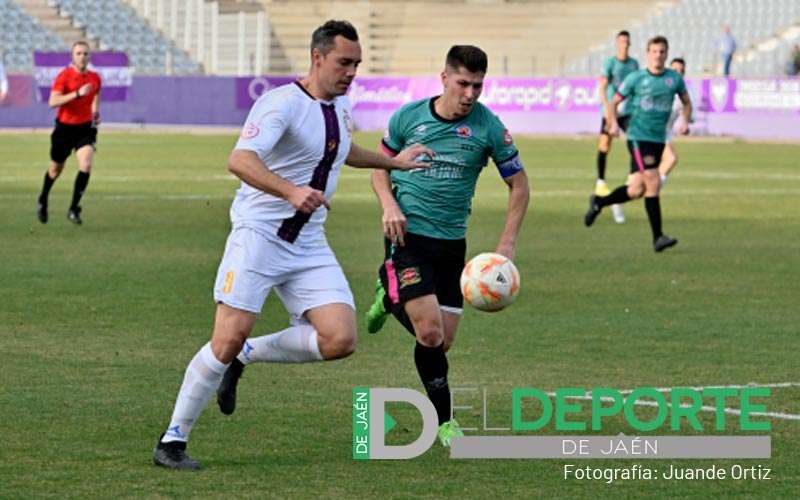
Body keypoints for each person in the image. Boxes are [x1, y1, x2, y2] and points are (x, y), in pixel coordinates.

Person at [152, 20, 432, 470]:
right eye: (344, 62)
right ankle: (172, 440)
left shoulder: (340, 106)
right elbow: (239, 159)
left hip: (307, 241)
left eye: (357, 64)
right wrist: (288, 190)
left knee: (340, 338)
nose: (351, 72)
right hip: (259, 237)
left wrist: (393, 162)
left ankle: (248, 355)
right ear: (317, 57)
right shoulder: (279, 103)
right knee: (225, 338)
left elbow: (341, 150)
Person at [364, 45, 530, 447]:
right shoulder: (408, 118)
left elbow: (519, 184)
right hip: (407, 238)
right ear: (444, 78)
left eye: (477, 85)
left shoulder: (489, 128)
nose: (470, 93)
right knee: (432, 334)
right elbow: (379, 170)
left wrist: (506, 244)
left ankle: (390, 300)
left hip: (453, 245)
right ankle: (445, 423)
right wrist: (388, 205)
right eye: (463, 84)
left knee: (442, 341)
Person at [584, 36, 692, 252]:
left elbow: (687, 101)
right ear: (648, 54)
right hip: (638, 137)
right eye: (654, 51)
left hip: (658, 139)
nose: (658, 55)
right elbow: (614, 101)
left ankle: (599, 202)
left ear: (666, 54)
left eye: (662, 52)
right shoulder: (636, 78)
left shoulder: (674, 79)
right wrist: (612, 123)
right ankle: (658, 237)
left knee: (636, 189)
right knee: (653, 181)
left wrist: (685, 120)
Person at [36, 41, 101, 225]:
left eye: (85, 53)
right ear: (73, 56)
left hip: (84, 129)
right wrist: (77, 94)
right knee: (55, 170)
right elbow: (52, 101)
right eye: (79, 53)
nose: (82, 56)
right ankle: (43, 198)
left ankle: (73, 208)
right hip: (64, 129)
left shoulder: (95, 77)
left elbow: (96, 94)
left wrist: (95, 111)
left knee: (86, 164)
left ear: (89, 57)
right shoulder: (64, 76)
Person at [595, 31, 639, 224]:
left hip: (628, 111)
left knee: (634, 143)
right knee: (605, 144)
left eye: (627, 43)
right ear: (617, 44)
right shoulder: (610, 63)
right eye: (622, 42)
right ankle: (601, 181)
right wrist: (606, 109)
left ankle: (631, 178)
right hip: (612, 111)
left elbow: (636, 87)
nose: (625, 45)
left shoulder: (634, 64)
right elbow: (602, 86)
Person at [658, 57, 689, 188]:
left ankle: (611, 201)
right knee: (670, 158)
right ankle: (653, 188)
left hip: (665, 134)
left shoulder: (683, 94)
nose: (678, 73)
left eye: (681, 71)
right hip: (654, 132)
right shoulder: (661, 87)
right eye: (675, 69)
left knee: (641, 176)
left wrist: (685, 124)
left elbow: (686, 109)